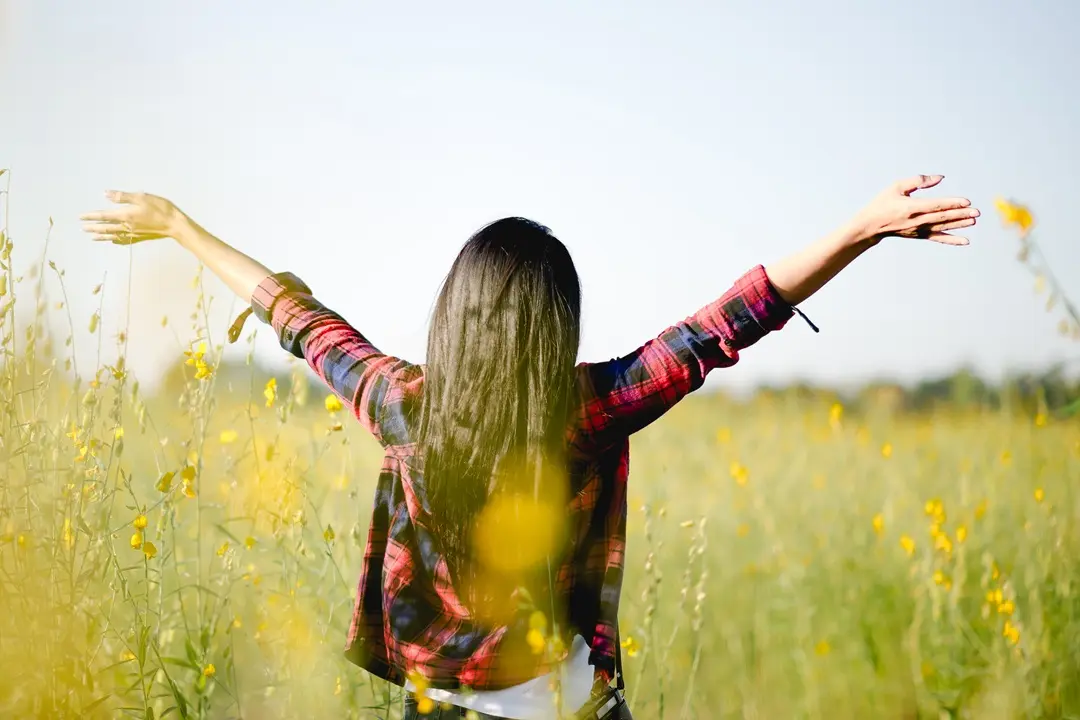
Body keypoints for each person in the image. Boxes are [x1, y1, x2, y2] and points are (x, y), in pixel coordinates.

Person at [81, 174, 978, 719]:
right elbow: (729, 320)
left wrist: (179, 227)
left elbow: (300, 320)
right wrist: (863, 228)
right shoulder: (590, 413)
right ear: (559, 324)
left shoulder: (403, 405)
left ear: (455, 313)